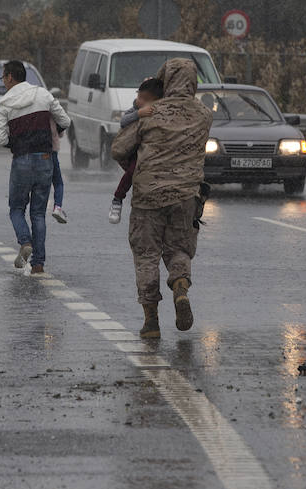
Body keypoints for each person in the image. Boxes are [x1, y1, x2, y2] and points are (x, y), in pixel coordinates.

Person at [111, 59, 213, 339]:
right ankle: (180, 286)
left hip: (148, 197)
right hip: (186, 196)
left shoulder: (151, 112)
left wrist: (137, 167)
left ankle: (151, 322)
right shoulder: (204, 115)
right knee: (179, 249)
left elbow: (119, 148)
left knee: (146, 256)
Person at [0, 60, 70, 274]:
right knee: (38, 213)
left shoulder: (4, 104)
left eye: (3, 78)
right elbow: (65, 120)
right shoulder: (43, 95)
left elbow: (0, 139)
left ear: (9, 77)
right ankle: (38, 264)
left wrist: (16, 141)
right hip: (45, 158)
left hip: (21, 161)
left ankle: (25, 242)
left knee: (17, 209)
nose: (3, 82)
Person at [109, 78, 164, 224]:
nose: (139, 100)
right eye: (138, 96)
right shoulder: (136, 109)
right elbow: (123, 121)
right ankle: (117, 199)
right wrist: (139, 113)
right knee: (132, 172)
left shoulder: (161, 111)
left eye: (144, 99)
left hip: (153, 152)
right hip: (135, 150)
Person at [50, 120, 68, 223]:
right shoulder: (51, 106)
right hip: (51, 150)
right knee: (58, 182)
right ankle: (57, 207)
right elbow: (64, 123)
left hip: (32, 151)